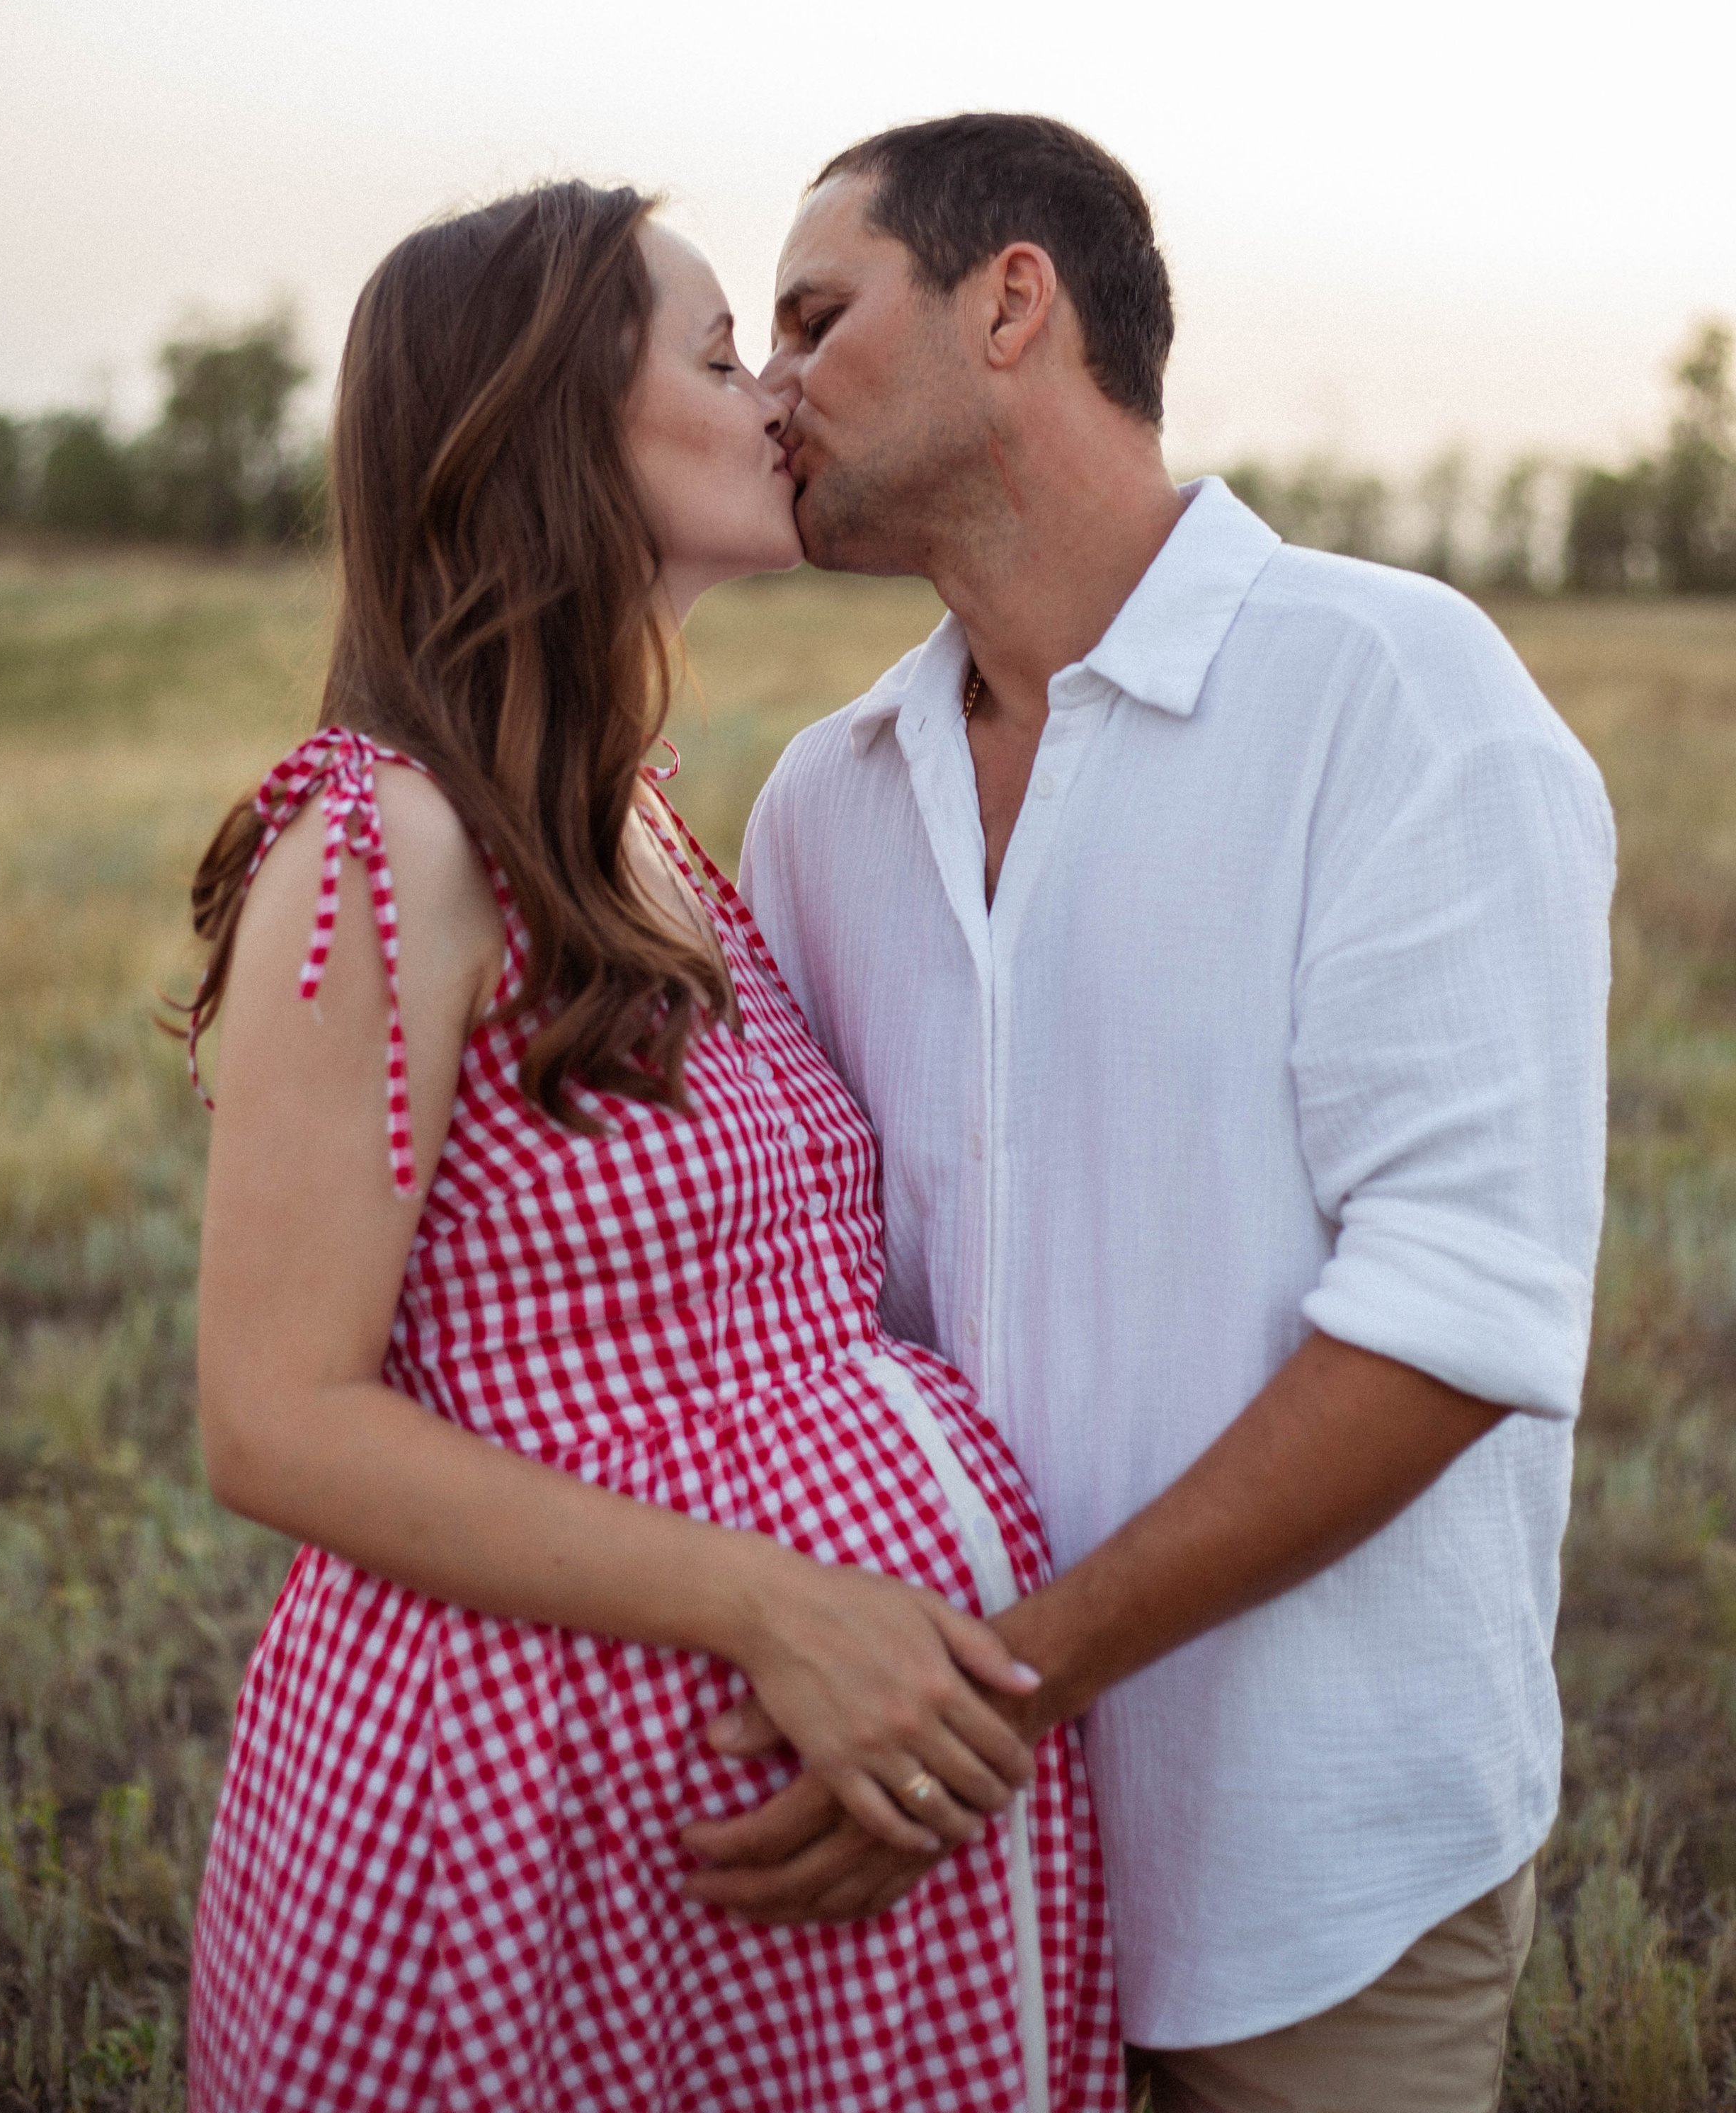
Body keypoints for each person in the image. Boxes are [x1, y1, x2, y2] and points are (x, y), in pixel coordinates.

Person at [680, 114, 1616, 2113]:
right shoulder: (824, 807)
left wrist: (996, 1693)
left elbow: (1458, 1317)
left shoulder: (1395, 694)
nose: (763, 391)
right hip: (935, 1883)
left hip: (1309, 1862)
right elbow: (813, 1309)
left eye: (816, 317)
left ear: (1012, 300)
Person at [181, 182, 1124, 2112]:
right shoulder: (389, 841)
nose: (781, 391)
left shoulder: (661, 834)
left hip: (745, 1830)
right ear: (541, 432)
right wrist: (785, 1607)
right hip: (530, 1808)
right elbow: (272, 1417)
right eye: (717, 357)